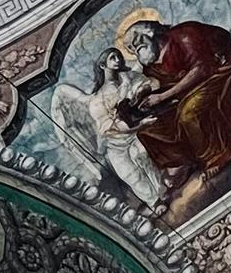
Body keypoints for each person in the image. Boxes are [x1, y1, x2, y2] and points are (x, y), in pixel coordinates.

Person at [115, 18, 231, 192]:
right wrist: (144, 93)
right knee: (149, 128)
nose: (135, 50)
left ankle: (217, 157)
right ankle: (185, 163)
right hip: (188, 89)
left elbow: (200, 70)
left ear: (150, 33)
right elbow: (163, 82)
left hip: (218, 73)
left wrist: (162, 97)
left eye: (136, 43)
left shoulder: (184, 36)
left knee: (189, 113)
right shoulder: (151, 64)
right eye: (130, 48)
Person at [54, 47, 167, 214]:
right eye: (112, 57)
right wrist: (138, 124)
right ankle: (154, 202)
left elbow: (153, 83)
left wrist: (143, 89)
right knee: (129, 173)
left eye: (119, 56)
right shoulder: (96, 99)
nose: (118, 60)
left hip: (138, 133)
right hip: (116, 143)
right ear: (102, 65)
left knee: (142, 154)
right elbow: (108, 128)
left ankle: (162, 192)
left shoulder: (128, 78)